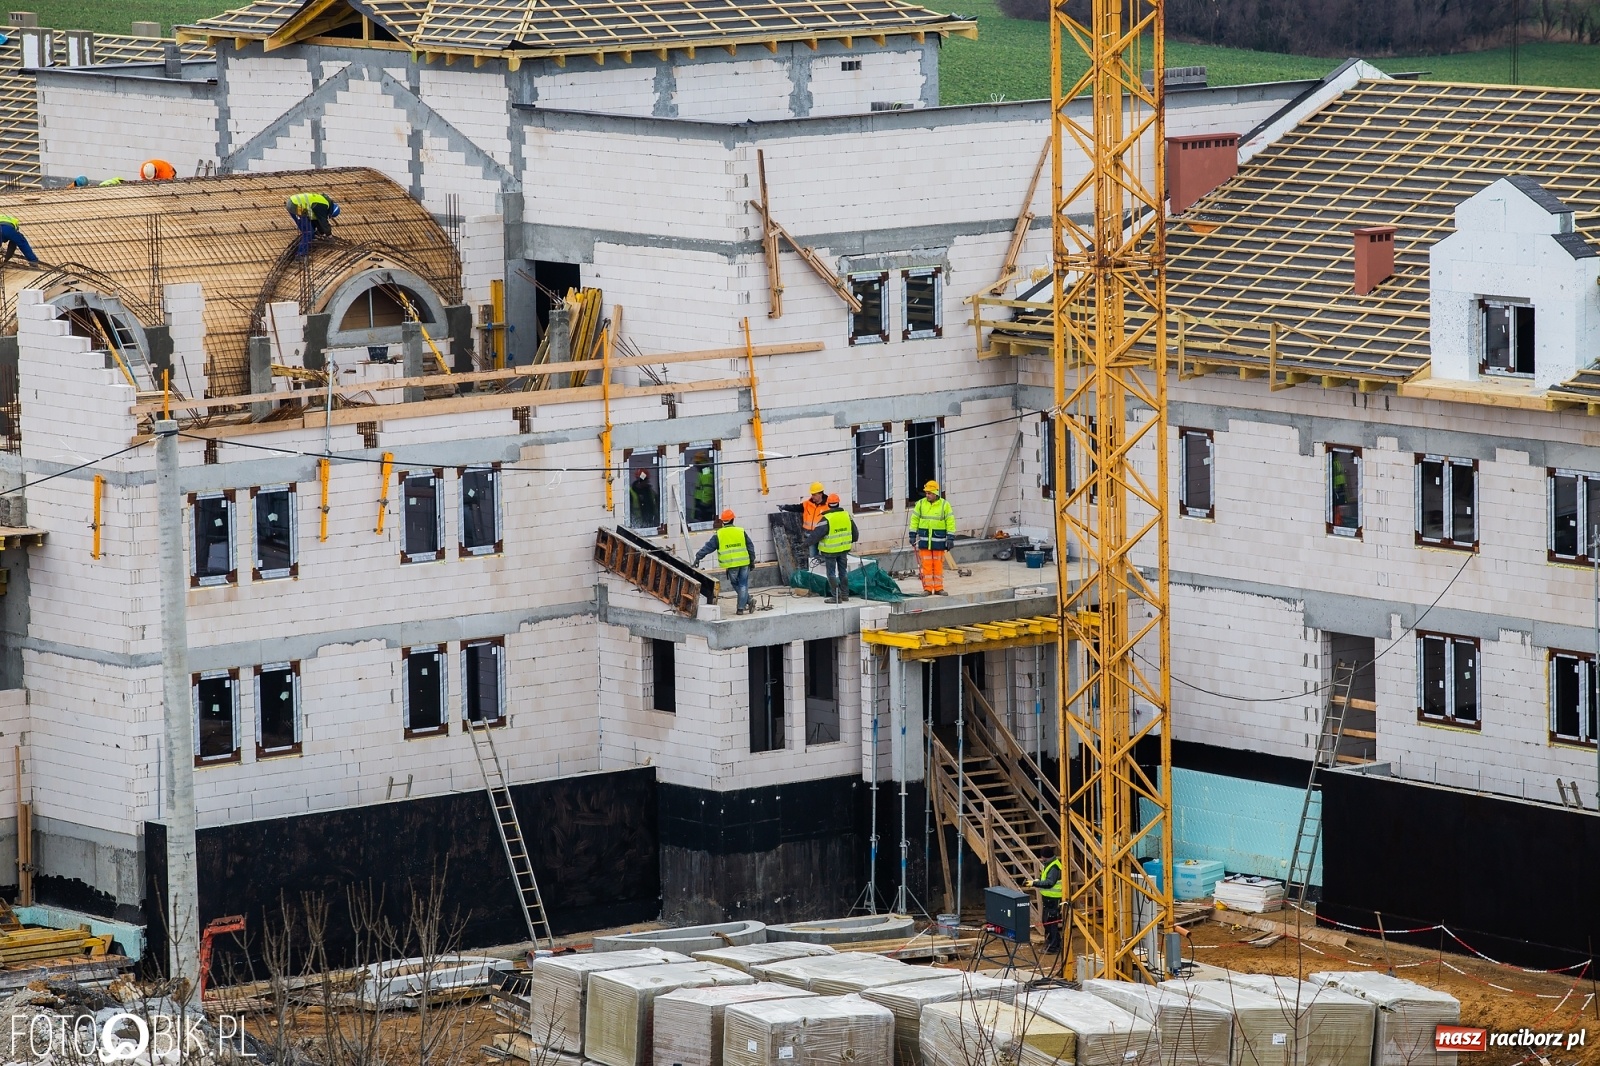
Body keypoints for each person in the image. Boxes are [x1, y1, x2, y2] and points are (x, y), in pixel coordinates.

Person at [692, 509, 755, 615]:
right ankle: (745, 603)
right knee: (743, 585)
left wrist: (698, 557)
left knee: (736, 584)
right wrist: (752, 561)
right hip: (744, 562)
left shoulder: (719, 534)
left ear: (722, 521)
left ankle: (743, 606)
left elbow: (708, 547)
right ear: (733, 519)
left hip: (732, 565)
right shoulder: (740, 531)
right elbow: (750, 547)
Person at [806, 494, 858, 603]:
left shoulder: (827, 518)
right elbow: (855, 533)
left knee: (831, 573)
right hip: (844, 549)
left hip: (830, 552)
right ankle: (845, 595)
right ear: (838, 503)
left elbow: (816, 535)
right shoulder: (846, 515)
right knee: (843, 572)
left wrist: (805, 544)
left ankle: (836, 597)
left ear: (828, 504)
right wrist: (850, 540)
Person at [908, 479, 956, 595]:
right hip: (924, 541)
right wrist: (912, 535)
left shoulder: (945, 505)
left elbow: (950, 521)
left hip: (938, 541)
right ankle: (928, 589)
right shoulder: (920, 504)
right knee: (927, 567)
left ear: (935, 493)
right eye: (926, 493)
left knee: (938, 566)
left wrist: (950, 538)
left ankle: (939, 588)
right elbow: (914, 520)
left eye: (929, 493)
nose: (927, 495)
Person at [778, 482, 829, 563]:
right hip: (811, 535)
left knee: (825, 558)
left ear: (821, 494)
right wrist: (785, 507)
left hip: (823, 535)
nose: (812, 497)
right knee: (813, 558)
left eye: (814, 495)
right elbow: (796, 507)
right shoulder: (807, 504)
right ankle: (814, 573)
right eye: (812, 494)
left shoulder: (828, 506)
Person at [1031, 846, 1064, 956]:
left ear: (1045, 857)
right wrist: (1038, 881)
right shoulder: (1050, 865)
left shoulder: (1054, 867)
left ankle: (1053, 947)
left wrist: (1035, 883)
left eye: (1042, 857)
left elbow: (1050, 883)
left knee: (1050, 924)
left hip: (1053, 899)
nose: (1041, 858)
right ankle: (1056, 944)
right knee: (1048, 923)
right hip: (1049, 898)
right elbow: (1046, 880)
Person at [287, 192, 341, 256]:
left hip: (295, 203)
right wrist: (329, 236)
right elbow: (323, 221)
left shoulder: (324, 201)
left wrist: (320, 232)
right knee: (308, 232)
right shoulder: (323, 205)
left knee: (310, 230)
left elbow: (317, 220)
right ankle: (300, 255)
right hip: (296, 206)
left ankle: (306, 246)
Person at [689, 452, 716, 524]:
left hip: (705, 508)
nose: (695, 465)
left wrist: (704, 504)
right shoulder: (702, 473)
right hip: (700, 506)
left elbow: (708, 490)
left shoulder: (706, 474)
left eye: (696, 462)